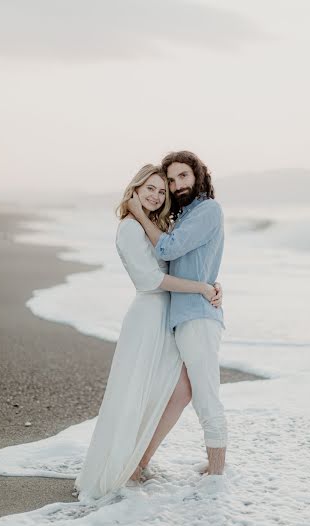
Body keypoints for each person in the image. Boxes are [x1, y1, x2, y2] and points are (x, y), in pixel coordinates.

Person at [74, 164, 222, 501]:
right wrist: (200, 287)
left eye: (161, 191)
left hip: (165, 315)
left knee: (177, 389)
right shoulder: (129, 228)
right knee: (134, 393)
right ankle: (123, 467)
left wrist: (211, 284)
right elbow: (150, 280)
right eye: (150, 189)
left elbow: (181, 259)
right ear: (135, 190)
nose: (156, 195)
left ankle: (139, 459)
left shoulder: (153, 227)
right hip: (146, 317)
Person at [127, 151, 228, 476]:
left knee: (206, 395)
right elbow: (194, 263)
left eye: (183, 176)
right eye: (170, 180)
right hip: (183, 316)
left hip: (197, 316)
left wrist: (141, 217)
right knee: (182, 392)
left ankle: (216, 475)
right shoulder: (183, 217)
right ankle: (139, 461)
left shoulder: (208, 209)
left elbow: (169, 250)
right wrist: (210, 283)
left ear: (198, 175)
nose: (175, 184)